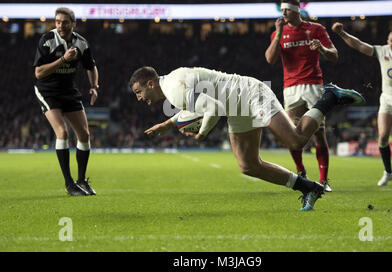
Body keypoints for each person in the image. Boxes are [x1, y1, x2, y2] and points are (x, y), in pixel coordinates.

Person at [129, 66, 366, 211]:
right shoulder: (172, 83)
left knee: (295, 140)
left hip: (250, 93)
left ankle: (330, 96)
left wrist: (202, 134)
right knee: (249, 165)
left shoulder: (174, 90)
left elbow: (213, 107)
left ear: (150, 83)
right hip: (237, 105)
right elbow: (200, 103)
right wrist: (168, 123)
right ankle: (309, 188)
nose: (139, 98)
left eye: (139, 92)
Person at [331, 22, 392, 186]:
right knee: (383, 136)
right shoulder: (382, 51)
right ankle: (388, 172)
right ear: (388, 41)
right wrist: (342, 33)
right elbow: (359, 45)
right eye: (391, 40)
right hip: (386, 99)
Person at [265, 0, 338, 192]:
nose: (283, 13)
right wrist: (279, 33)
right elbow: (270, 59)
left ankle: (323, 181)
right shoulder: (278, 33)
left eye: (286, 10)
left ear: (296, 10)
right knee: (291, 134)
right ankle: (301, 171)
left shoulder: (316, 29)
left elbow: (334, 54)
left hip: (313, 85)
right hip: (291, 87)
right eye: (282, 10)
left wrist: (321, 48)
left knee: (319, 134)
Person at [33, 7, 99, 196]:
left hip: (69, 90)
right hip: (48, 91)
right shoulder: (47, 40)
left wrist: (94, 86)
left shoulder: (81, 43)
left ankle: (81, 181)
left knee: (85, 134)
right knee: (62, 132)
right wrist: (63, 59)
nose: (61, 25)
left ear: (73, 23)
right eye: (58, 22)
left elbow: (91, 66)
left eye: (65, 22)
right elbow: (38, 73)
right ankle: (69, 184)